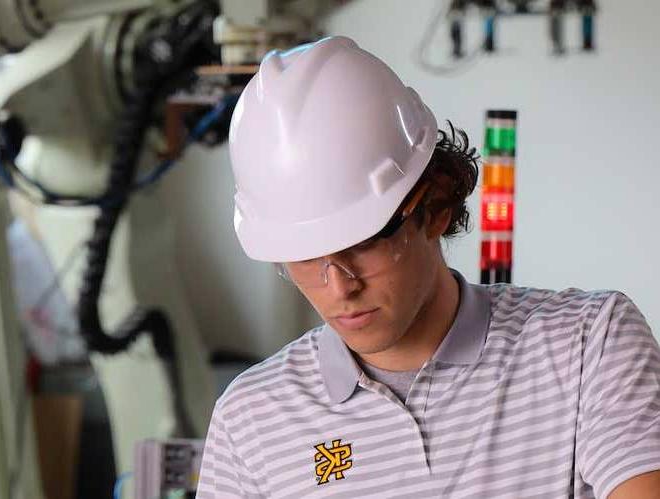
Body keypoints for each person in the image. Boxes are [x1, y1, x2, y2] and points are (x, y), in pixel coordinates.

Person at [196, 36, 660, 498]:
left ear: (434, 207)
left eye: (363, 244)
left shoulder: (588, 345)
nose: (338, 285)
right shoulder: (250, 420)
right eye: (304, 256)